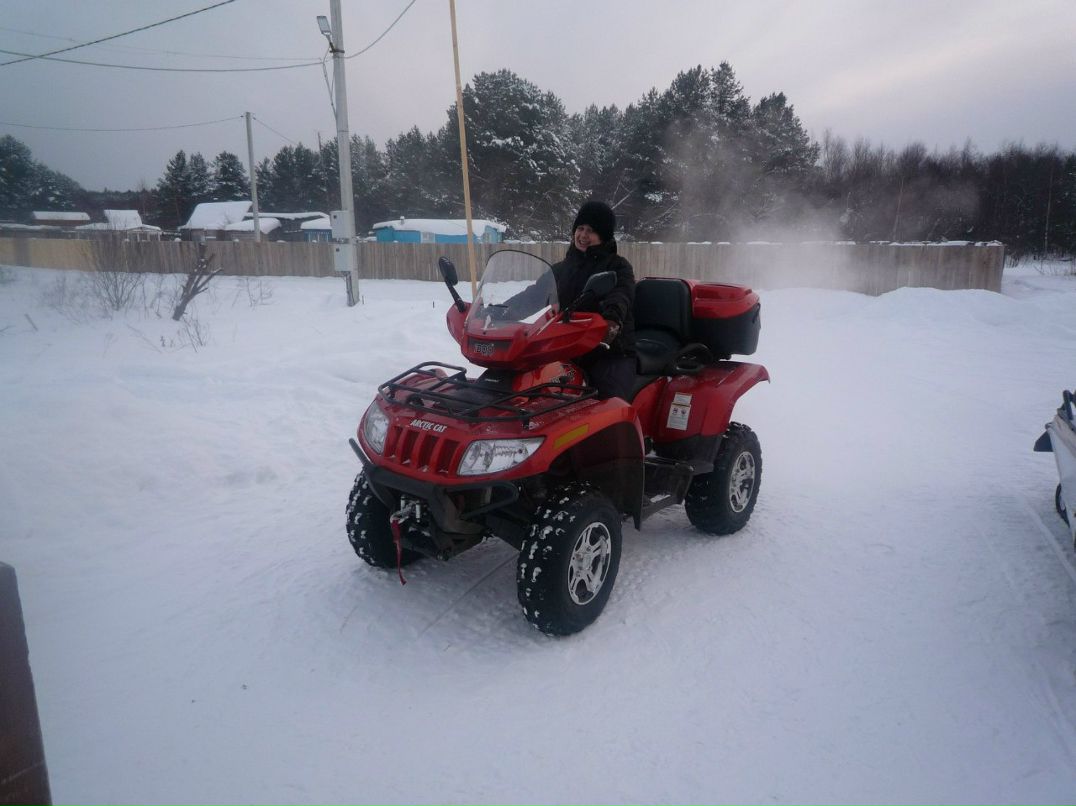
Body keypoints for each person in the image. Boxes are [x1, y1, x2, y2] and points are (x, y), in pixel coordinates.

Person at [552, 200, 636, 400]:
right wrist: (503, 309)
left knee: (607, 403)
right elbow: (534, 294)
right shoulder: (561, 269)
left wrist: (611, 319)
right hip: (565, 348)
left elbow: (621, 294)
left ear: (603, 235)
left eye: (591, 230)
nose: (583, 235)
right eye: (580, 228)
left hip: (609, 351)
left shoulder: (618, 267)